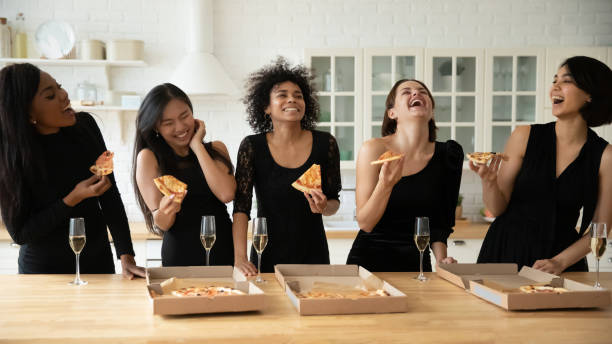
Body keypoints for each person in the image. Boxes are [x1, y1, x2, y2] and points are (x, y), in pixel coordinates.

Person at [0, 63, 144, 278]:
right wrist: (72, 198)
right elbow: (21, 233)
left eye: (58, 86)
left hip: (98, 263)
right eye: (50, 96)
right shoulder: (13, 155)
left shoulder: (86, 127)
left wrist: (126, 255)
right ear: (28, 113)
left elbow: (110, 196)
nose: (63, 95)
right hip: (44, 273)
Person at [474, 56, 612, 274]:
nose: (554, 87)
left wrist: (560, 262)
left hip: (561, 262)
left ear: (589, 94)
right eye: (554, 79)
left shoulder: (605, 156)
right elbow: (498, 208)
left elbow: (600, 229)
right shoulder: (524, 136)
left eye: (566, 81)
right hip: (505, 253)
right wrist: (489, 182)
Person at [233, 57, 342, 275]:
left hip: (314, 254)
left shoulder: (325, 143)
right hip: (266, 252)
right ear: (266, 107)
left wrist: (323, 207)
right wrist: (240, 257)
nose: (292, 99)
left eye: (298, 95)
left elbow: (333, 202)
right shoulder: (252, 146)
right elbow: (241, 208)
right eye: (282, 95)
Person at [346, 79, 462, 272]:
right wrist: (386, 184)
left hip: (417, 263)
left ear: (431, 110)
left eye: (422, 91)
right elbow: (365, 223)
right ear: (392, 113)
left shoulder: (448, 155)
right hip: (368, 261)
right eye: (406, 92)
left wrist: (442, 262)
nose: (416, 94)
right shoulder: (374, 150)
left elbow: (440, 223)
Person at [133, 83, 235, 266]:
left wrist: (197, 146)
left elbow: (226, 194)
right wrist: (167, 210)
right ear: (156, 127)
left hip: (224, 249)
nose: (180, 127)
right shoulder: (149, 158)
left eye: (184, 116)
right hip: (180, 254)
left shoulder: (216, 149)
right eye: (168, 123)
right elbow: (161, 223)